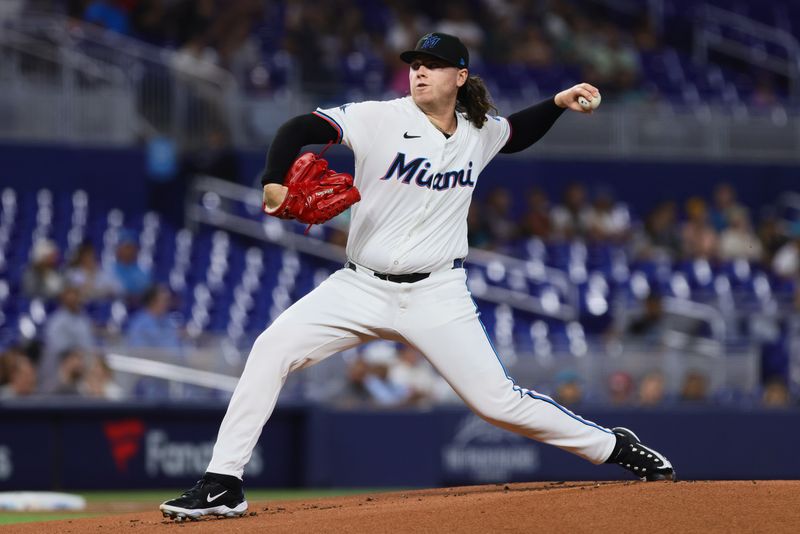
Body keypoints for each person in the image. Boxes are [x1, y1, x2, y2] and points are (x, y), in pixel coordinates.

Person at [160, 32, 674, 521]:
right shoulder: (378, 118)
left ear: (460, 76)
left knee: (496, 403)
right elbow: (298, 129)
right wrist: (274, 180)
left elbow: (514, 135)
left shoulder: (479, 130)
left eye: (432, 66)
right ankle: (224, 481)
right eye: (415, 65)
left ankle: (613, 445)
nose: (420, 72)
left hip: (436, 292)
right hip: (360, 286)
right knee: (271, 349)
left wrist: (558, 103)